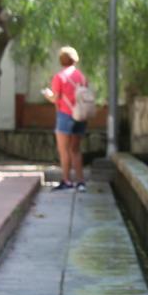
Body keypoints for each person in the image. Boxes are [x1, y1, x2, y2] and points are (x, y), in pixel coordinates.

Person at [42, 46, 87, 192]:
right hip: (80, 115)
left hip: (65, 114)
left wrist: (48, 95)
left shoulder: (60, 76)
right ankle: (80, 182)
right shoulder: (81, 76)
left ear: (62, 60)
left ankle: (66, 180)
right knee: (76, 149)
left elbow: (56, 98)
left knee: (64, 150)